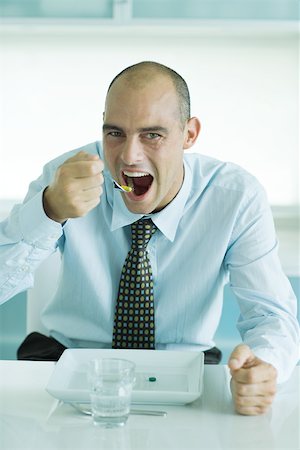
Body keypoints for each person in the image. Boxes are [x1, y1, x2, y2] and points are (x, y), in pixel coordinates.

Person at [0, 61, 299, 416]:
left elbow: (271, 315)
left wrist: (265, 365)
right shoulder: (64, 176)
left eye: (152, 135)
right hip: (67, 361)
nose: (128, 155)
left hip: (185, 368)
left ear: (189, 134)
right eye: (115, 133)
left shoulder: (235, 196)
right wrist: (48, 210)